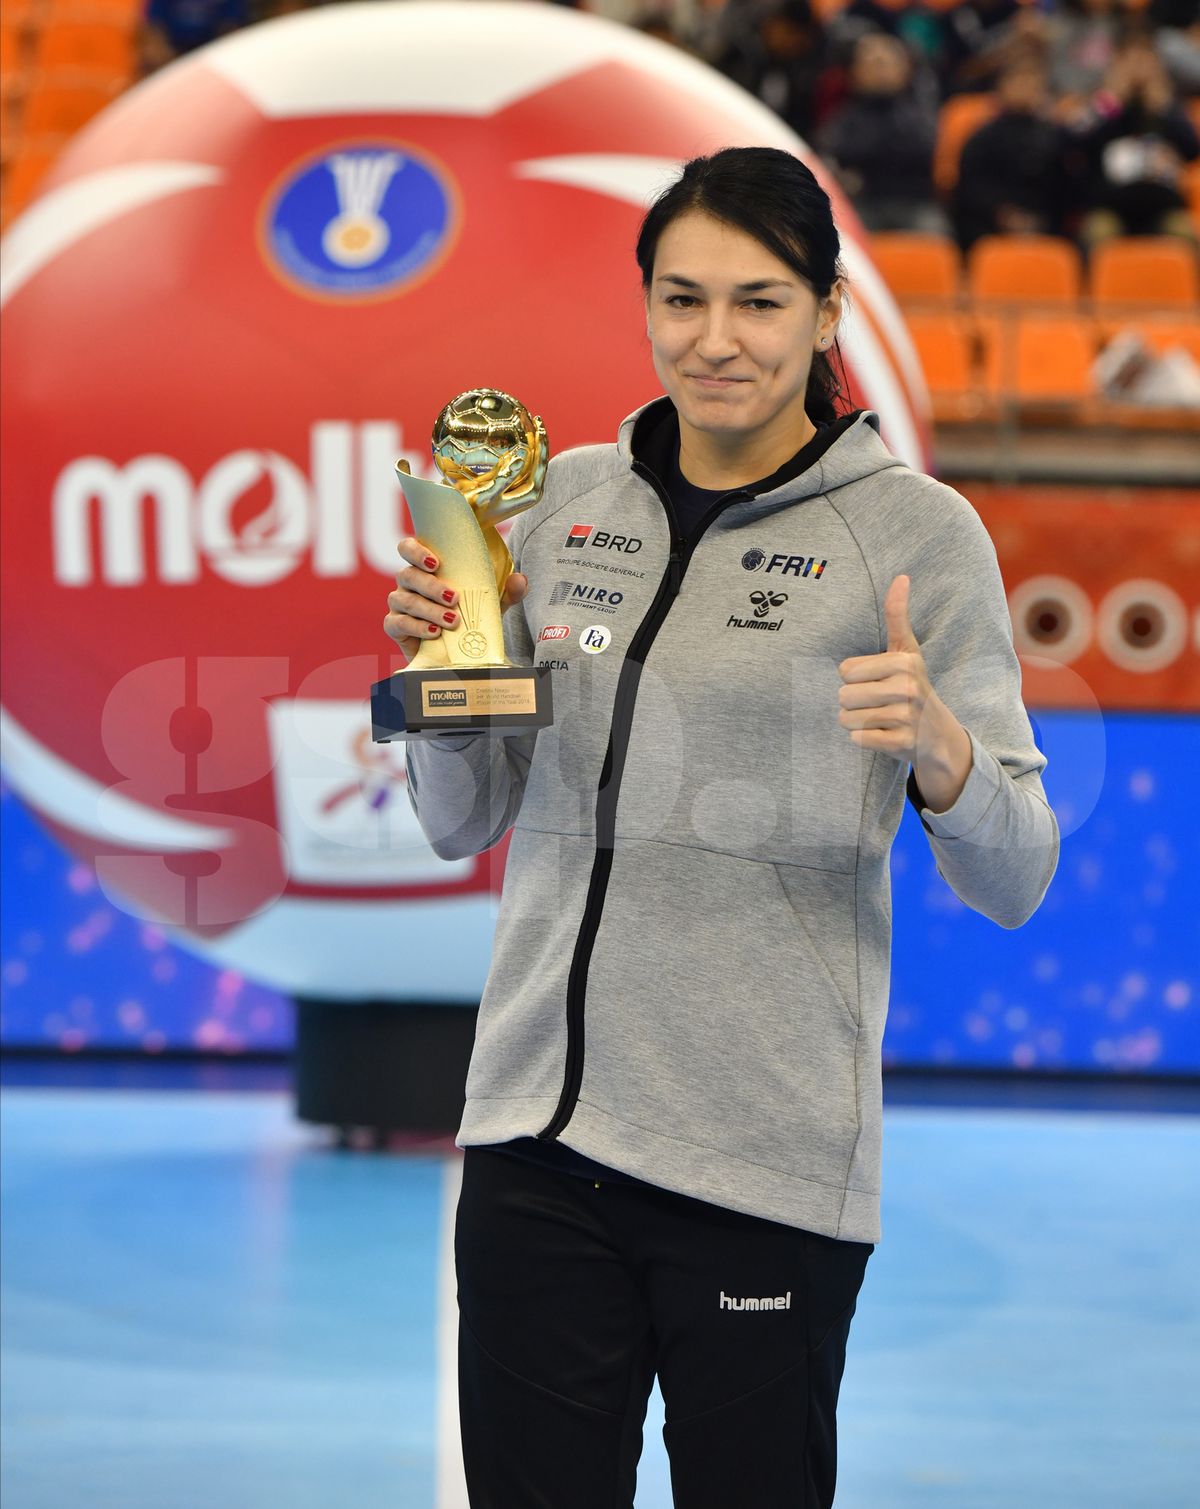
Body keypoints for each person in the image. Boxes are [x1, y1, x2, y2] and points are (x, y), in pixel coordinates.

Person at [385, 147, 1060, 1507]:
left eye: (759, 302)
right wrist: (444, 678)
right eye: (682, 299)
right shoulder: (561, 502)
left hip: (760, 1167)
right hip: (532, 1142)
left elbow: (1017, 875)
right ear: (643, 305)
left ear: (826, 315)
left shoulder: (918, 537)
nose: (716, 340)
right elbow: (464, 823)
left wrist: (939, 750)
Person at [817, 30, 949, 233]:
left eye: (886, 64)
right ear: (855, 73)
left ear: (905, 70)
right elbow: (834, 153)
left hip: (915, 203)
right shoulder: (843, 117)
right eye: (871, 64)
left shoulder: (921, 113)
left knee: (934, 235)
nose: (880, 72)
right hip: (864, 203)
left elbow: (924, 151)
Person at [952, 58, 1071, 249]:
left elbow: (1063, 185)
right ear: (1002, 87)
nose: (1027, 88)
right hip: (990, 224)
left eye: (1033, 82)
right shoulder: (983, 137)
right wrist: (1005, 215)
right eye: (1019, 82)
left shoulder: (1054, 136)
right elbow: (970, 187)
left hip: (1044, 224)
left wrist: (1038, 220)